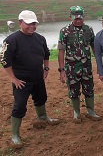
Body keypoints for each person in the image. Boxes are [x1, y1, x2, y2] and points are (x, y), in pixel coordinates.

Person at [0, 10, 59, 148]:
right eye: (29, 24)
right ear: (20, 23)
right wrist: (13, 79)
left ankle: (43, 118)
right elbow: (4, 60)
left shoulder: (40, 38)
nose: (32, 26)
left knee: (41, 99)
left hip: (38, 78)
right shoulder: (11, 40)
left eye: (34, 23)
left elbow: (46, 54)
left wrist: (46, 68)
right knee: (19, 106)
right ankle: (15, 135)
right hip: (21, 81)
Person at [58, 6, 101, 123]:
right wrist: (61, 70)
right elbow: (61, 51)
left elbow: (94, 47)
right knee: (73, 90)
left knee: (89, 88)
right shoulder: (64, 31)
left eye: (80, 18)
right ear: (70, 17)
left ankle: (90, 111)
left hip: (86, 66)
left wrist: (99, 64)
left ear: (84, 17)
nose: (78, 20)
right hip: (71, 67)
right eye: (75, 18)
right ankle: (76, 112)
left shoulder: (89, 29)